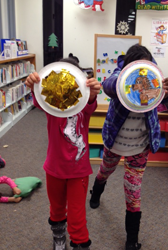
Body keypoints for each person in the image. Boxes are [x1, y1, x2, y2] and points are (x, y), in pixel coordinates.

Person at [89, 44, 168, 250]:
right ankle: (96, 192)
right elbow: (108, 85)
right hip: (115, 143)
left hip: (140, 147)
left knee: (133, 192)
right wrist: (130, 82)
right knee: (104, 172)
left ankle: (131, 240)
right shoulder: (119, 75)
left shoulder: (153, 78)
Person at [25, 57, 101, 250]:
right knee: (57, 208)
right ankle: (59, 236)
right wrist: (32, 83)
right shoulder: (52, 108)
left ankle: (80, 243)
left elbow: (91, 102)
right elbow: (39, 97)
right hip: (55, 168)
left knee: (77, 215)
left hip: (78, 170)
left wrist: (91, 93)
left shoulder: (84, 107)